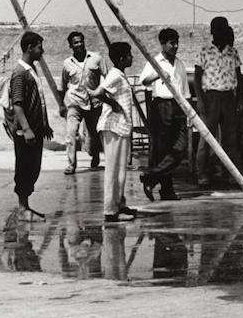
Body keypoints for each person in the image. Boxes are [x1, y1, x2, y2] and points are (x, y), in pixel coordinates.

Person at [138, 27, 190, 202]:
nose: (174, 46)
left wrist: (187, 111)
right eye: (171, 43)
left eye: (176, 43)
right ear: (162, 44)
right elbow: (144, 80)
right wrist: (158, 75)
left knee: (181, 147)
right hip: (162, 105)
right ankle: (167, 189)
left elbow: (185, 92)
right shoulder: (155, 62)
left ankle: (151, 177)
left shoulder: (180, 64)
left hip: (179, 105)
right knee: (163, 148)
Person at [90, 41, 137, 224]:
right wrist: (113, 104)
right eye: (129, 55)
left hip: (121, 127)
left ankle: (120, 204)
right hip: (112, 127)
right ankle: (110, 210)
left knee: (120, 170)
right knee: (113, 170)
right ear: (121, 58)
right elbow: (98, 92)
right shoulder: (114, 75)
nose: (131, 58)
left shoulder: (119, 75)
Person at [194, 16, 242, 187]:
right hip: (211, 97)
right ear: (212, 32)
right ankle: (203, 174)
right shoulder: (205, 51)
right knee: (206, 138)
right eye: (217, 30)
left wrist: (239, 98)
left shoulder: (233, 52)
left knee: (230, 139)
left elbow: (239, 76)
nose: (220, 34)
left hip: (229, 96)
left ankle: (228, 173)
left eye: (223, 30)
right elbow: (197, 77)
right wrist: (200, 100)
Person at [10, 30, 53, 220]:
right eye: (39, 47)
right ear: (30, 48)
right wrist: (26, 129)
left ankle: (25, 206)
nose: (42, 51)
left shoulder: (31, 71)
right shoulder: (20, 73)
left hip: (36, 130)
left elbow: (39, 101)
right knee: (25, 168)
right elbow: (17, 104)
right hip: (25, 132)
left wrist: (45, 125)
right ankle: (22, 208)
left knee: (33, 168)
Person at [59, 31, 107, 175]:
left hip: (94, 103)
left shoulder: (96, 58)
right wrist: (61, 105)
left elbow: (108, 77)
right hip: (75, 103)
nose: (79, 45)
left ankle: (95, 154)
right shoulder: (67, 64)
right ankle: (71, 164)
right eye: (75, 43)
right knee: (71, 133)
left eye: (81, 41)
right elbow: (62, 85)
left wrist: (105, 95)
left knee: (94, 133)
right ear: (70, 46)